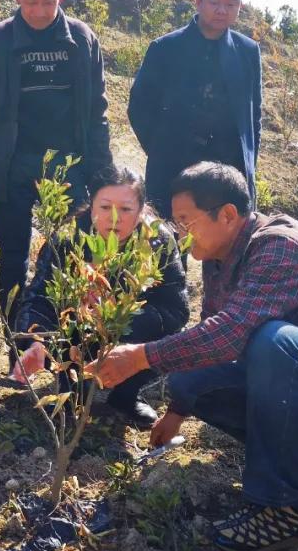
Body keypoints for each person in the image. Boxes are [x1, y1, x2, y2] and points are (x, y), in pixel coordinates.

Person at [86, 162, 298, 551]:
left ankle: (286, 510)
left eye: (186, 221)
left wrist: (141, 357)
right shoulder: (219, 255)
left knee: (272, 342)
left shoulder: (279, 246)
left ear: (227, 215)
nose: (179, 232)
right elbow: (211, 335)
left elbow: (231, 332)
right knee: (189, 381)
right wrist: (176, 409)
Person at [0, 0, 112, 335]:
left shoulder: (81, 40)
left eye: (49, 1)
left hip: (69, 168)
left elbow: (98, 113)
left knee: (74, 255)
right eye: (31, 1)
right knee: (12, 257)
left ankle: (68, 344)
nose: (40, 11)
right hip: (11, 166)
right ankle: (16, 342)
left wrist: (103, 178)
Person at [11, 166, 189, 428]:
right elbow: (38, 296)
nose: (114, 218)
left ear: (140, 211)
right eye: (105, 207)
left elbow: (176, 309)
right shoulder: (67, 238)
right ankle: (70, 394)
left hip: (130, 333)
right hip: (74, 331)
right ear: (91, 206)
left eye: (126, 209)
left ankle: (125, 396)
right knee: (58, 324)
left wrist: (119, 315)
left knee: (174, 341)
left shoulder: (157, 241)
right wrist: (37, 341)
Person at [128, 0, 261, 217]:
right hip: (172, 164)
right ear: (198, 1)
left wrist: (248, 164)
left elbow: (253, 117)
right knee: (167, 242)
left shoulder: (247, 51)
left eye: (231, 4)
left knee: (226, 246)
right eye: (214, 1)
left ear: (239, 7)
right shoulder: (166, 48)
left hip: (227, 168)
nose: (222, 10)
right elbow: (139, 107)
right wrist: (160, 149)